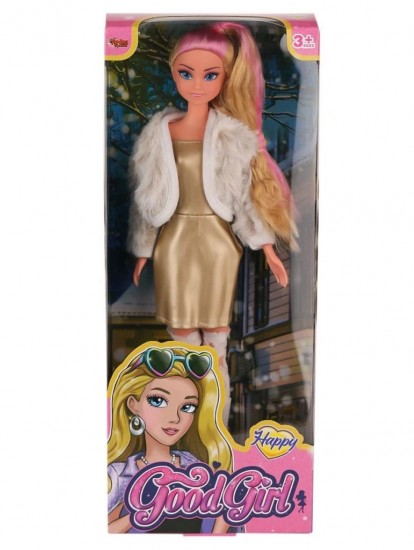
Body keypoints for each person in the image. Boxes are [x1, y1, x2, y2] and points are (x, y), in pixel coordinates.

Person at [128, 23, 297, 426]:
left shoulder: (232, 136)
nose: (197, 84)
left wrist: (267, 247)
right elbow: (146, 196)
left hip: (219, 243)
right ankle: (184, 422)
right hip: (173, 242)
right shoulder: (158, 135)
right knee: (182, 340)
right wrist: (143, 249)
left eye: (210, 75)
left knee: (216, 344)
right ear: (174, 73)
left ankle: (215, 425)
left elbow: (245, 198)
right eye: (186, 73)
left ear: (225, 78)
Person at [107, 344, 233, 534]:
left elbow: (226, 512)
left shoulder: (198, 466)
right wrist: (145, 510)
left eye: (188, 407)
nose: (175, 418)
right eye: (158, 401)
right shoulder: (118, 474)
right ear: (133, 405)